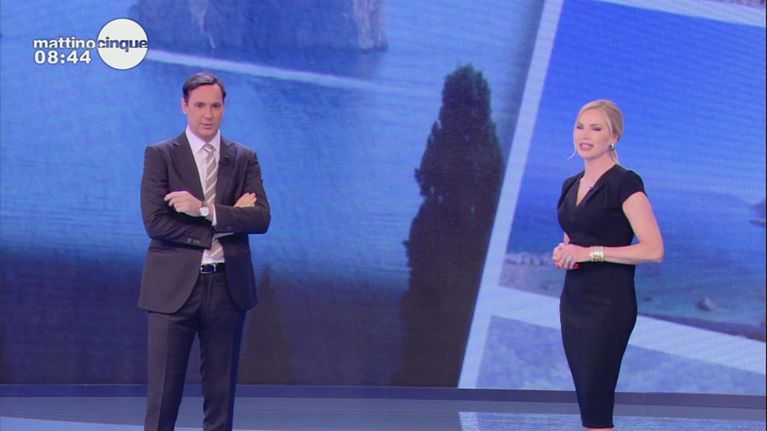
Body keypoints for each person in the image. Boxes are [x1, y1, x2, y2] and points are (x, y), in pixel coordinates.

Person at [139, 71, 270, 431]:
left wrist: (203, 209)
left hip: (228, 289)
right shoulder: (161, 155)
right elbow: (156, 223)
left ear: (225, 107)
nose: (207, 114)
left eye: (215, 106)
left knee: (220, 400)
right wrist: (226, 220)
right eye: (199, 106)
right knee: (163, 398)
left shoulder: (244, 158)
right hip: (172, 291)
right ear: (184, 106)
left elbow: (260, 218)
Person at [552, 99, 663, 430]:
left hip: (608, 305)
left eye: (596, 128)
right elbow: (575, 239)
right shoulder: (570, 184)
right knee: (588, 402)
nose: (584, 135)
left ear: (613, 137)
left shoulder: (625, 184)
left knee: (597, 404)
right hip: (574, 301)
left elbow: (653, 250)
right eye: (580, 127)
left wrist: (591, 253)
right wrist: (565, 252)